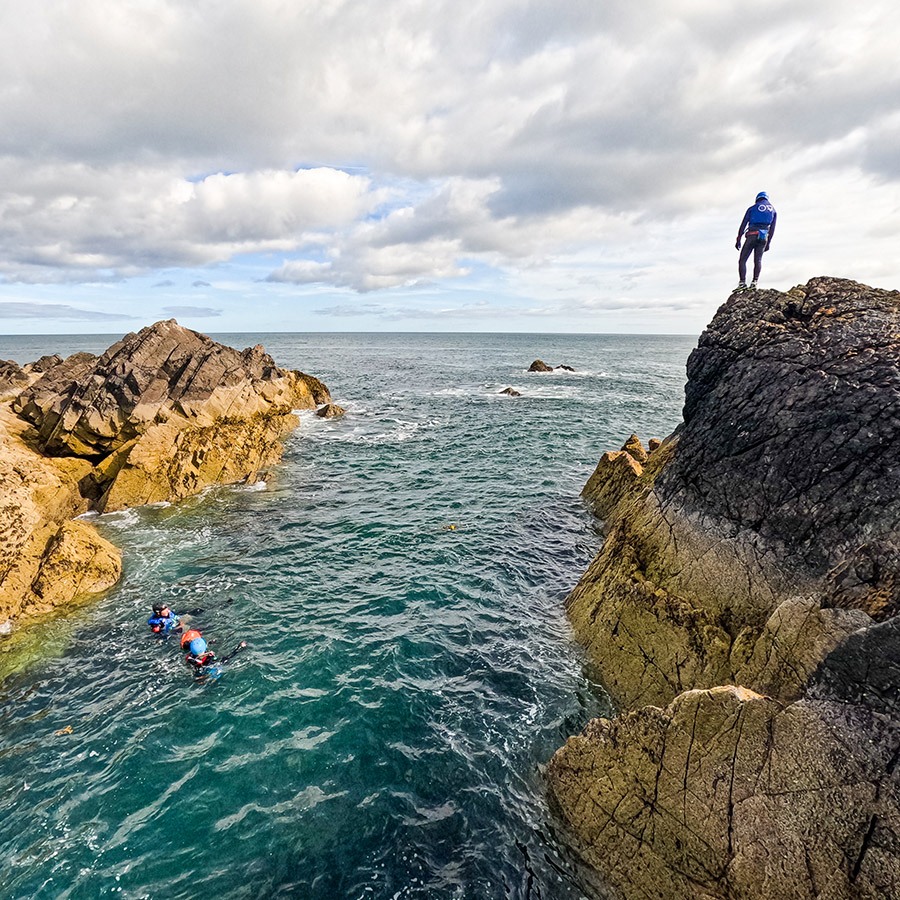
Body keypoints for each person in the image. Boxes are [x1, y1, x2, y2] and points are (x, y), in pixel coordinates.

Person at [735, 191, 777, 290]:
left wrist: (739, 238)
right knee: (758, 260)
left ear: (757, 198)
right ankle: (754, 282)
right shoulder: (773, 210)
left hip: (752, 235)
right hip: (763, 237)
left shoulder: (752, 208)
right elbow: (772, 229)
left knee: (742, 260)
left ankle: (742, 283)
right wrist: (768, 243)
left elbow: (743, 224)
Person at [183, 632, 248, 675]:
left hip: (198, 668)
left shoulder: (190, 657)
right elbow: (206, 663)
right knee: (225, 659)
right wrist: (209, 656)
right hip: (207, 667)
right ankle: (240, 647)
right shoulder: (208, 657)